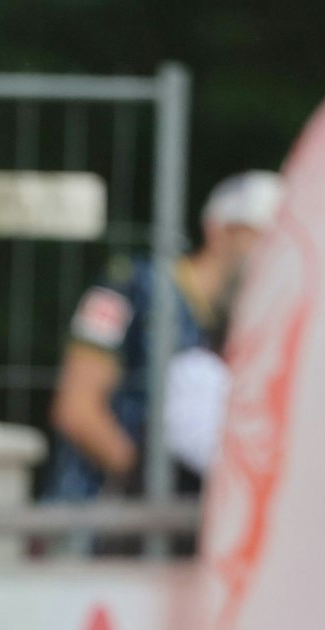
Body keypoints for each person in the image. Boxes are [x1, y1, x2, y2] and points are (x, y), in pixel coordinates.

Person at [47, 170, 283, 499]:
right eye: (263, 238)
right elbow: (77, 409)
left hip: (171, 529)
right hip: (94, 521)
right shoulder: (129, 286)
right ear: (219, 230)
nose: (273, 256)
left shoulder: (243, 323)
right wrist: (148, 484)